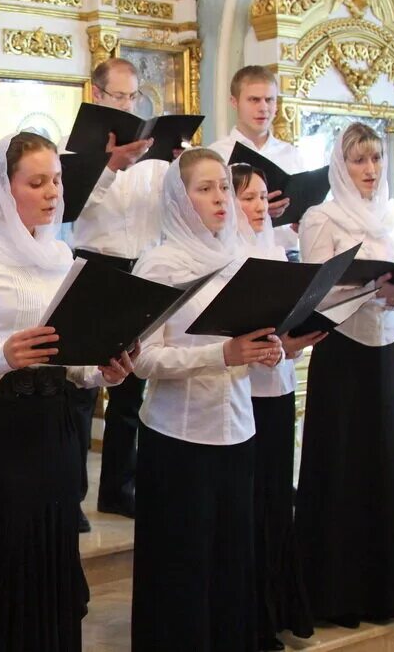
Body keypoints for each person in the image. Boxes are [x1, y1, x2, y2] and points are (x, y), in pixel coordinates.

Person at [0, 131, 134, 651]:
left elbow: (70, 361)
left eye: (57, 181)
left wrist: (103, 372)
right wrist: (3, 357)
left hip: (54, 434)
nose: (52, 192)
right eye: (37, 182)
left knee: (51, 566)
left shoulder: (62, 255)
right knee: (1, 572)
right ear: (4, 189)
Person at [131, 148, 283, 651]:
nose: (220, 197)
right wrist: (225, 353)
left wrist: (270, 349)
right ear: (179, 197)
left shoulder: (242, 258)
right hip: (180, 437)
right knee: (183, 571)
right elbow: (145, 360)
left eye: (223, 186)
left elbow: (248, 345)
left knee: (230, 566)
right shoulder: (160, 265)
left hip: (239, 429)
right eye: (205, 188)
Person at [295, 123, 394, 627]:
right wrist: (365, 290)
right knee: (341, 462)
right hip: (341, 350)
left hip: (385, 349)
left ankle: (382, 593)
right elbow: (313, 289)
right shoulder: (321, 217)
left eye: (375, 160)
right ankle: (335, 597)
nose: (369, 171)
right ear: (340, 165)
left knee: (383, 463)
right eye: (358, 161)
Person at [62, 58, 158, 524]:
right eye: (117, 96)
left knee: (130, 386)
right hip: (94, 263)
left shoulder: (152, 156)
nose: (125, 104)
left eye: (132, 96)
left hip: (142, 265)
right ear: (97, 95)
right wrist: (112, 166)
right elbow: (68, 206)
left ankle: (120, 488)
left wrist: (173, 169)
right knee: (83, 385)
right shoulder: (76, 146)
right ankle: (72, 496)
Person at [232, 163, 322, 650]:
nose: (257, 207)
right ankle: (253, 612)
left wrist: (296, 340)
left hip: (279, 386)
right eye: (246, 197)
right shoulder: (227, 255)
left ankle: (282, 602)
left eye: (262, 198)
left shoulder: (276, 249)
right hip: (242, 394)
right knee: (251, 503)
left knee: (275, 498)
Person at [210, 65, 306, 254]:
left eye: (269, 100)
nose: (263, 108)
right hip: (233, 256)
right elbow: (206, 214)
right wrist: (258, 210)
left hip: (287, 254)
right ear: (234, 102)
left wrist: (304, 220)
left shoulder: (291, 154)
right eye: (254, 100)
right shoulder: (216, 155)